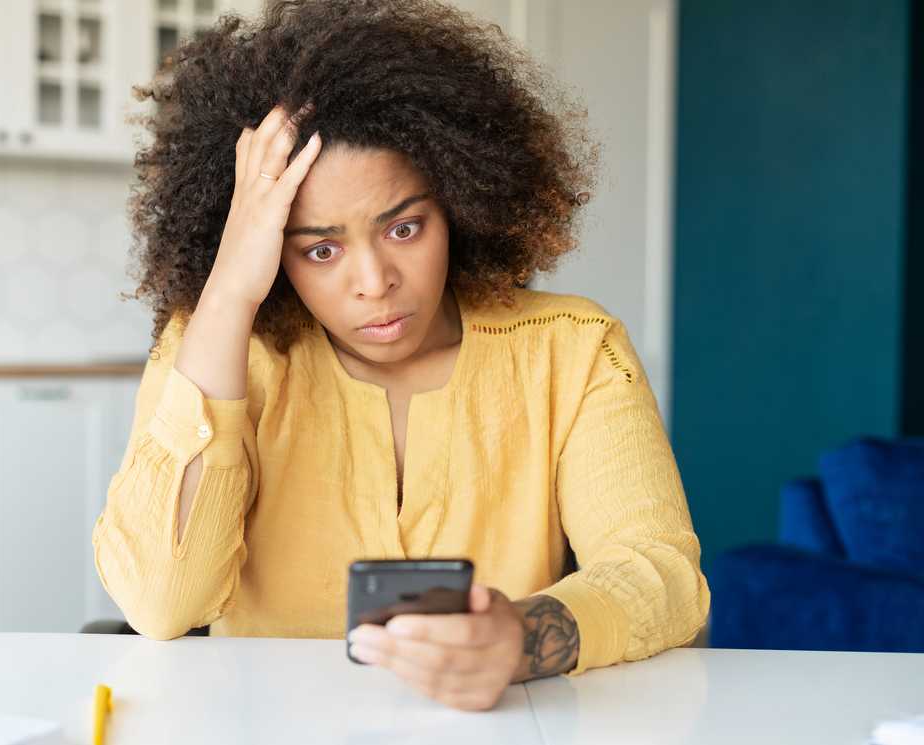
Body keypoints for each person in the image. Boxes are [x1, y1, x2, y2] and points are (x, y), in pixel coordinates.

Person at [92, 0, 710, 712]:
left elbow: (662, 575)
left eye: (405, 227)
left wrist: (524, 637)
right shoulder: (217, 350)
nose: (374, 280)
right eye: (319, 249)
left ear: (459, 202)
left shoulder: (574, 350)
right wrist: (228, 290)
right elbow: (161, 604)